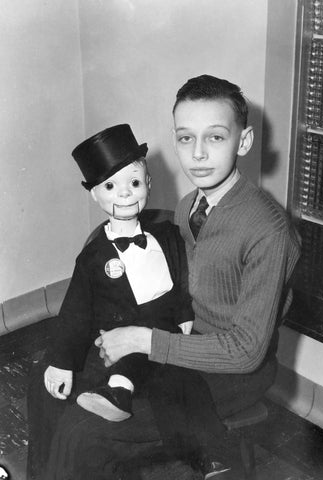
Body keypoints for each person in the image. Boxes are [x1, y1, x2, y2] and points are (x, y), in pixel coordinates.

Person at [27, 75, 301, 480]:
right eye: (186, 138)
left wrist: (142, 340)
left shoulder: (268, 230)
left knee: (85, 431)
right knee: (46, 382)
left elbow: (245, 351)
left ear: (243, 142)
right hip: (174, 343)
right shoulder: (191, 204)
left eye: (216, 138)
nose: (200, 154)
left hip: (228, 371)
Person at [27, 123, 229, 480]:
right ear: (94, 195)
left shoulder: (166, 235)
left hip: (165, 330)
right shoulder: (93, 257)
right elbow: (76, 311)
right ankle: (114, 396)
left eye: (134, 183)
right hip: (119, 338)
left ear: (148, 184)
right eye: (110, 186)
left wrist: (183, 315)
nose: (124, 194)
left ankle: (212, 458)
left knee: (184, 381)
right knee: (47, 383)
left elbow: (181, 282)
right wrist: (61, 362)